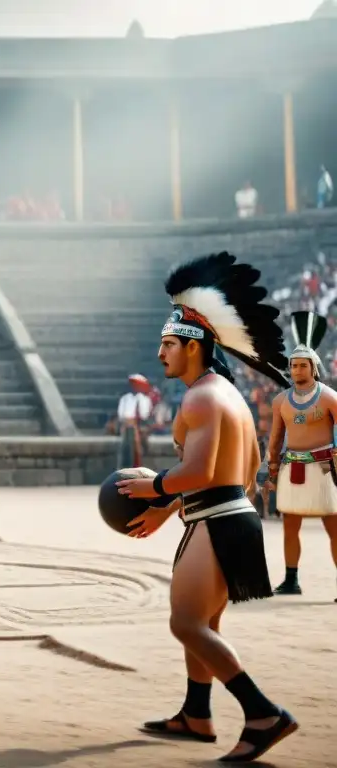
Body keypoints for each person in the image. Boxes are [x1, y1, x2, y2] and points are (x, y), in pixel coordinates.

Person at [117, 252, 299, 763]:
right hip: (230, 515)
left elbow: (197, 473)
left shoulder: (200, 400)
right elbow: (244, 467)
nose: (160, 355)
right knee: (205, 623)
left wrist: (155, 487)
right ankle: (197, 714)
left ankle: (263, 713)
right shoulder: (231, 397)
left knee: (186, 624)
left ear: (194, 347)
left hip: (216, 522)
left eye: (169, 345)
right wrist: (172, 505)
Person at [263, 311, 337, 599]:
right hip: (292, 469)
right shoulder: (281, 401)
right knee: (289, 528)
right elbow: (276, 439)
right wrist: (270, 470)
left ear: (313, 367)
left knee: (334, 529)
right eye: (293, 366)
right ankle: (291, 579)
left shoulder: (330, 397)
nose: (296, 370)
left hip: (323, 469)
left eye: (302, 365)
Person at [114, 374, 153, 468]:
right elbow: (121, 414)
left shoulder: (145, 399)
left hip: (140, 426)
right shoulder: (125, 398)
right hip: (127, 425)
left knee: (139, 445)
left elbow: (145, 415)